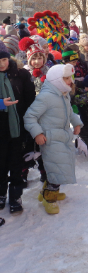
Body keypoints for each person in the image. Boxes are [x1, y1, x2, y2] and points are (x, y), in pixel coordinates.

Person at [24, 64, 83, 214]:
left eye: (70, 77)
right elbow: (29, 116)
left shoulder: (63, 94)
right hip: (50, 138)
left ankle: (46, 193)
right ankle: (49, 198)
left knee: (59, 167)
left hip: (62, 136)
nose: (70, 81)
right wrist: (37, 133)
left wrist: (76, 123)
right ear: (57, 79)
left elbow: (69, 112)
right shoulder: (46, 97)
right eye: (66, 78)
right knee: (56, 169)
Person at [0, 42, 36, 214]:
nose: (1, 64)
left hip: (17, 129)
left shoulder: (20, 74)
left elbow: (30, 100)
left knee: (16, 163)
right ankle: (1, 195)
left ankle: (15, 196)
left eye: (4, 59)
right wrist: (1, 103)